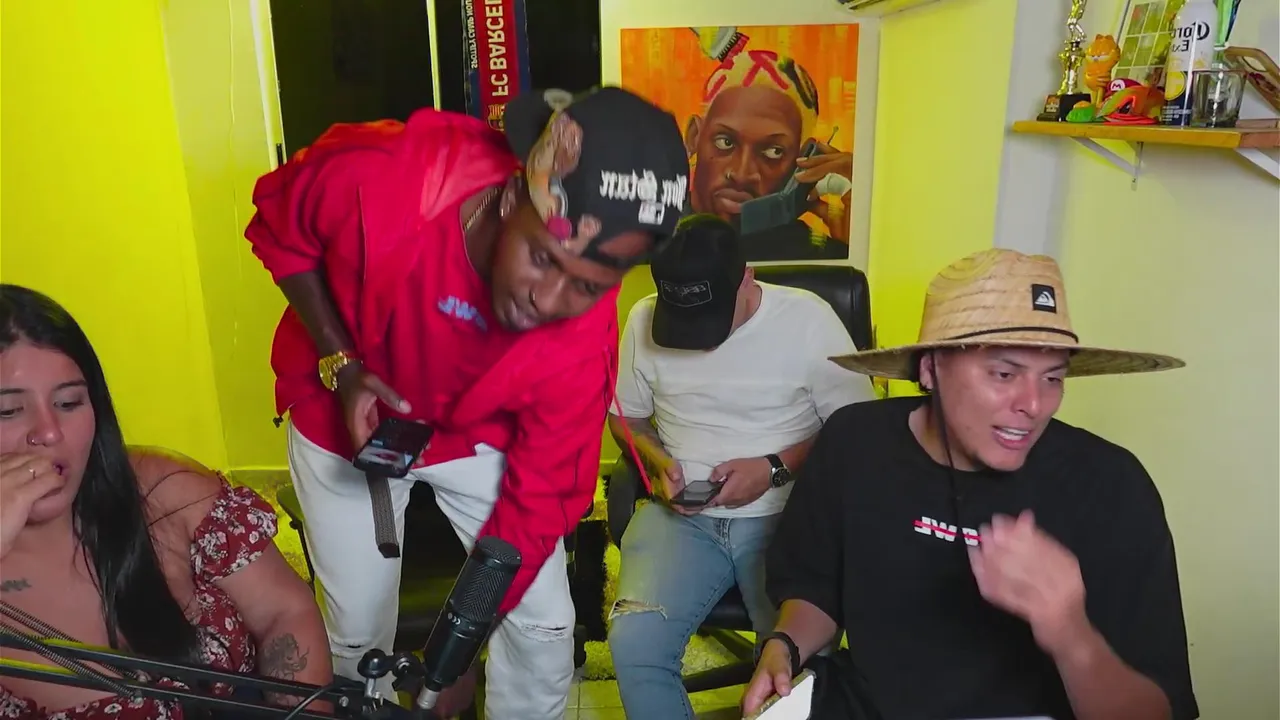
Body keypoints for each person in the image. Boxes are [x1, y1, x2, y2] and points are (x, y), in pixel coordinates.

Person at [244, 86, 689, 718]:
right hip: (343, 411)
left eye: (587, 286)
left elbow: (536, 507)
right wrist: (341, 360)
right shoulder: (387, 176)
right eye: (542, 257)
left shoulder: (581, 346)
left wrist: (454, 652)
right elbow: (283, 231)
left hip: (476, 429)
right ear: (511, 196)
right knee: (357, 630)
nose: (549, 300)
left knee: (544, 628)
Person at [742, 248, 1199, 720]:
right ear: (930, 369)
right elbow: (816, 586)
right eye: (1004, 373)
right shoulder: (856, 441)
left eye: (1053, 378)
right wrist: (785, 645)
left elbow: (1157, 711)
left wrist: (1068, 631)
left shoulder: (1111, 487)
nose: (1034, 405)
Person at [0, 284, 331, 720]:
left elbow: (283, 611)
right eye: (7, 411)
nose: (48, 432)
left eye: (69, 402)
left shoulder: (163, 490)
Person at [606, 214, 874, 718]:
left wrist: (774, 468)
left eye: (710, 318)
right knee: (634, 646)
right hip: (683, 520)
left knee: (793, 671)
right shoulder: (643, 319)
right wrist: (657, 461)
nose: (699, 339)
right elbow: (628, 420)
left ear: (746, 278)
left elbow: (858, 430)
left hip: (788, 515)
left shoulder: (809, 321)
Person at [684, 49, 852, 261]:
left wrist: (854, 245)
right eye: (725, 142)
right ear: (694, 137)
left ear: (802, 161)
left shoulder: (816, 255)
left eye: (774, 152)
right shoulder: (653, 241)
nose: (742, 174)